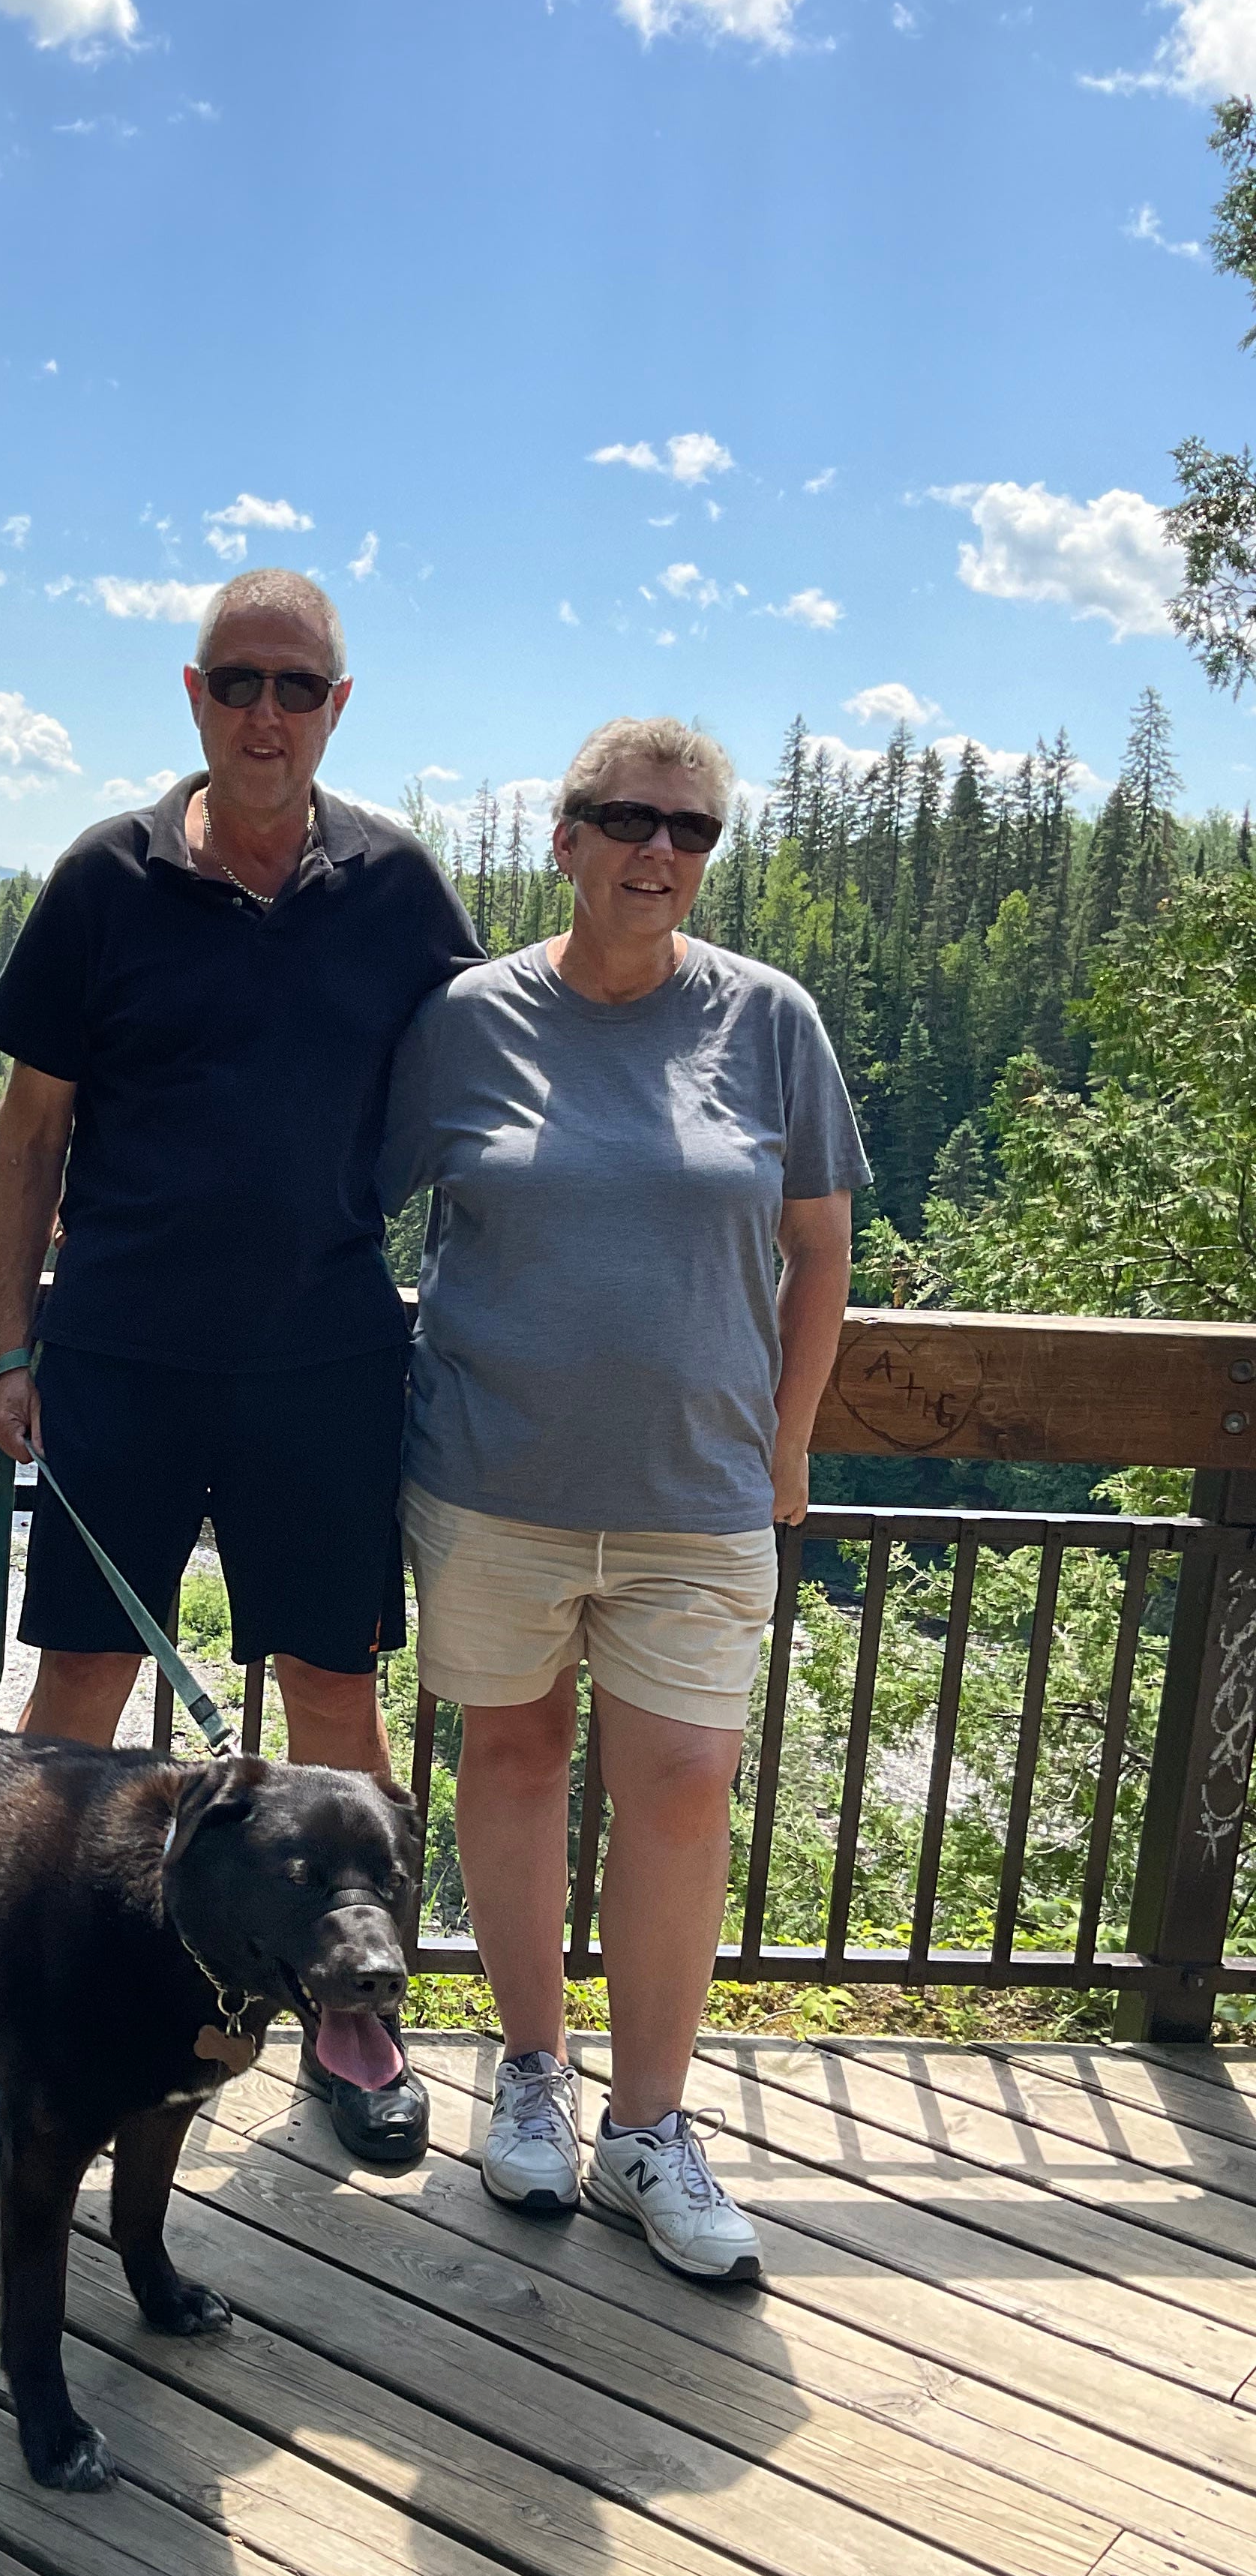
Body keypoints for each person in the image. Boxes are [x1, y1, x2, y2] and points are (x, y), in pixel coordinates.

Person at [0, 565, 481, 2176]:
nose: (265, 714)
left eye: (295, 688)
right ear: (193, 696)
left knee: (332, 1694)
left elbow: (479, 1104)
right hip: (119, 1352)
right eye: (238, 683)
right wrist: (11, 1347)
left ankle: (357, 2035)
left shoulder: (397, 889)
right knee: (83, 1698)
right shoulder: (101, 881)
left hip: (324, 1364)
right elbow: (30, 1131)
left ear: (338, 708)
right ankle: (24, 2020)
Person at [379, 715, 866, 2280]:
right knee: (512, 1765)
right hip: (490, 1481)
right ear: (565, 838)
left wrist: (788, 1444)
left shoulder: (771, 1022)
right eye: (627, 819)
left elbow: (823, 1250)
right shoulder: (465, 1022)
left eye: (691, 829)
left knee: (679, 1793)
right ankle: (532, 2074)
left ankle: (651, 2128)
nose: (659, 851)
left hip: (699, 1495)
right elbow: (345, 1210)